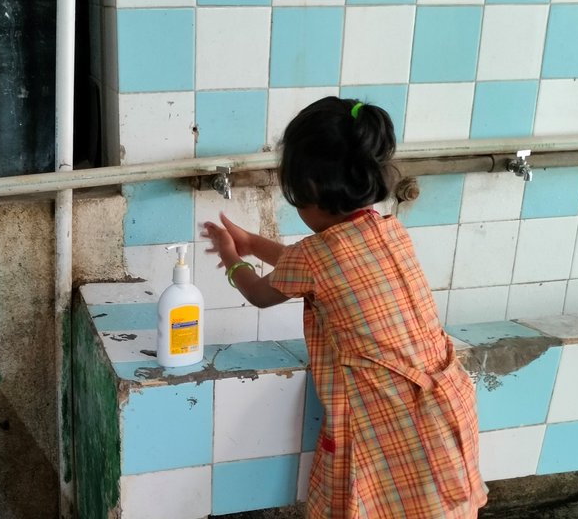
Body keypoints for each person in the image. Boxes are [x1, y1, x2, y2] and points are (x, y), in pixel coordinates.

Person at [201, 97, 486, 518]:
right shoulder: (389, 231)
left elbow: (261, 294)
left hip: (383, 425)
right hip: (443, 406)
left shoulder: (315, 258)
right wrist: (255, 243)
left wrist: (231, 259)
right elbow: (317, 267)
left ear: (309, 188)